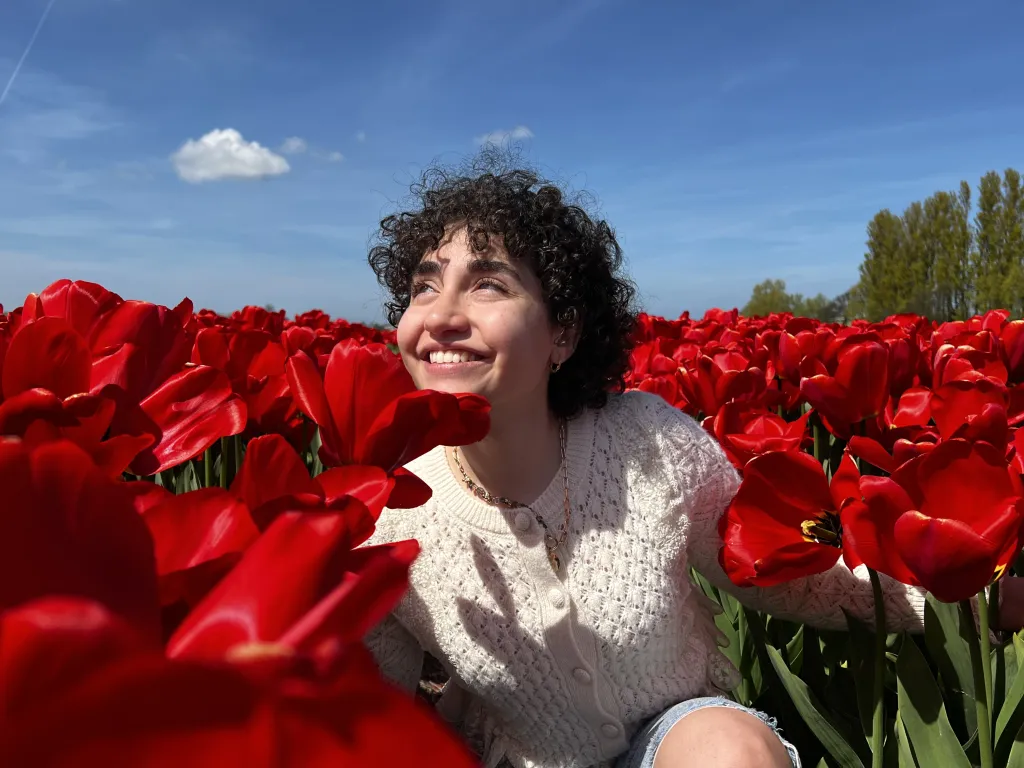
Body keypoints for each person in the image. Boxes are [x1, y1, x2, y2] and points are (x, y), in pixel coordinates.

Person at [360, 152, 1014, 768]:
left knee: (729, 751)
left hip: (671, 738)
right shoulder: (391, 517)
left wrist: (977, 599)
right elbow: (369, 710)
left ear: (564, 332)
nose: (441, 315)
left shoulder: (646, 441)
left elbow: (781, 571)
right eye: (423, 287)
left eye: (487, 286)